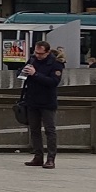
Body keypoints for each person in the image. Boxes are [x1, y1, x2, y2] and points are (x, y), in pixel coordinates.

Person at [21, 40, 64, 169]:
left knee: (50, 130)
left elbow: (53, 82)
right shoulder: (32, 60)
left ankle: (51, 158)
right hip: (32, 100)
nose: (38, 56)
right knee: (34, 130)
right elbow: (21, 74)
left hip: (47, 102)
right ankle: (38, 156)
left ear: (48, 52)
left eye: (41, 54)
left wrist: (35, 74)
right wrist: (23, 72)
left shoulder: (56, 64)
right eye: (36, 53)